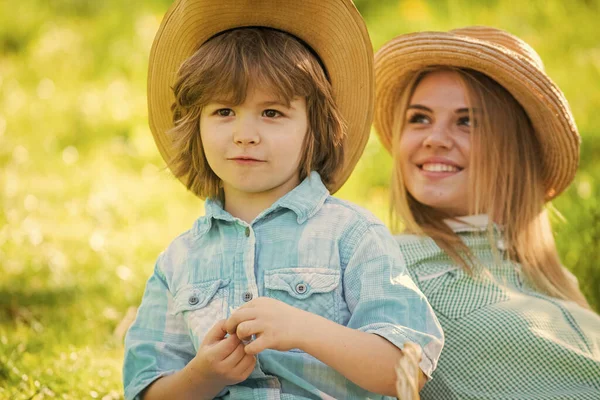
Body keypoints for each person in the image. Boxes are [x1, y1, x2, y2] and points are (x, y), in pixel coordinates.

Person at [123, 1, 444, 399]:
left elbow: (408, 370)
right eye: (224, 111)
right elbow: (145, 389)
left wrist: (304, 329)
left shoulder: (353, 236)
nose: (245, 133)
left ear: (315, 129)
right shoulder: (179, 260)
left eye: (272, 112)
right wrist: (202, 375)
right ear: (196, 127)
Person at [373, 26, 600, 399]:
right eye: (419, 118)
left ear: (514, 148)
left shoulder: (557, 281)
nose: (435, 138)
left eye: (467, 121)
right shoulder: (383, 262)